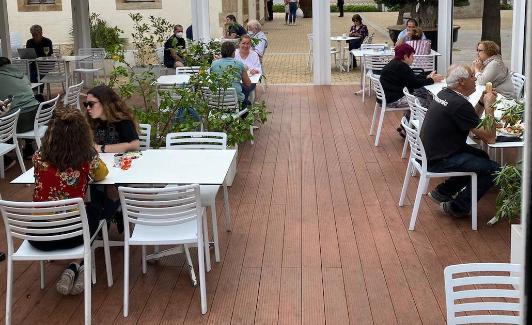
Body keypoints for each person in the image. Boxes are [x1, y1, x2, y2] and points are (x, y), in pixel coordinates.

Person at [30, 108, 108, 295]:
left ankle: (75, 267)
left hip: (39, 237)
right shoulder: (86, 157)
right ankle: (76, 265)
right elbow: (102, 174)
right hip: (73, 236)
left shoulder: (39, 157)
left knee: (75, 211)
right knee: (96, 208)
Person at [420, 64, 499, 218]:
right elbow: (490, 137)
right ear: (462, 81)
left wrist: (482, 102)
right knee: (493, 169)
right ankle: (458, 207)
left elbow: (470, 120)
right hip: (439, 158)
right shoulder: (459, 104)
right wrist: (490, 106)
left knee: (482, 157)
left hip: (433, 152)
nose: (475, 78)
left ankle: (443, 191)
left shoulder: (445, 94)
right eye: (471, 76)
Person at [84, 85, 140, 232]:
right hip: (100, 168)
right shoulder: (92, 122)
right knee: (95, 183)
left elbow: (134, 145)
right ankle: (109, 215)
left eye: (91, 104)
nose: (88, 108)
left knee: (106, 186)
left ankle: (104, 217)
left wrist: (102, 148)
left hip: (122, 168)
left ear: (104, 103)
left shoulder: (122, 121)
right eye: (86, 104)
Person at [379, 43, 443, 137]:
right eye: (412, 56)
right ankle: (424, 132)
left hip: (389, 97)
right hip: (394, 100)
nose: (413, 58)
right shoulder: (401, 67)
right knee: (428, 103)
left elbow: (412, 79)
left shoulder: (395, 64)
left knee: (420, 95)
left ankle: (406, 126)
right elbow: (415, 83)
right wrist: (432, 80)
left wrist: (427, 77)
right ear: (405, 56)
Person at [0, 57, 42, 162]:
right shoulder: (21, 74)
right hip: (35, 116)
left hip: (18, 122)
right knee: (19, 107)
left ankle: (5, 159)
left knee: (7, 113)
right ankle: (28, 147)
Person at [211, 41, 252, 108]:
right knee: (247, 98)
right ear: (233, 52)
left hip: (218, 102)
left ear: (221, 52)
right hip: (236, 102)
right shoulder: (239, 64)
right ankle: (243, 116)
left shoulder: (214, 64)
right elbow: (248, 83)